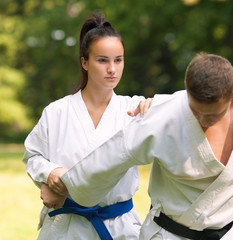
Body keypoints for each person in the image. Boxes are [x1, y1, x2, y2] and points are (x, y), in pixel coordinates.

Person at [58, 53, 233, 240]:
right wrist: (64, 187)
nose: (202, 120)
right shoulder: (163, 115)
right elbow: (113, 155)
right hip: (172, 234)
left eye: (212, 115)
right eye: (195, 111)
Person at [23, 12, 152, 240]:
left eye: (118, 60)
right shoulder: (57, 112)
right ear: (85, 62)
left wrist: (158, 107)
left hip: (119, 228)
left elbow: (176, 126)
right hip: (66, 228)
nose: (112, 69)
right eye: (102, 60)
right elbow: (33, 155)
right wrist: (50, 173)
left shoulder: (135, 109)